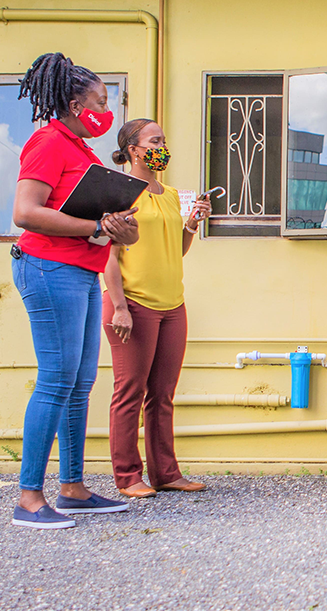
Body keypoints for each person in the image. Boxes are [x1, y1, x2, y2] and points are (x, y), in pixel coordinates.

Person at [10, 52, 140, 529]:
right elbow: (25, 212)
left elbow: (89, 221)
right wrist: (93, 224)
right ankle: (28, 498)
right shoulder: (49, 142)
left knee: (80, 381)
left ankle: (72, 488)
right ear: (72, 102)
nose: (106, 112)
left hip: (81, 270)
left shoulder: (82, 150)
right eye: (100, 102)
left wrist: (115, 228)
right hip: (47, 268)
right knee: (56, 380)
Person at [102, 119, 212, 499]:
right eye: (155, 141)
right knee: (129, 392)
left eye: (164, 140)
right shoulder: (120, 194)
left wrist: (191, 225)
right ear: (134, 149)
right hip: (132, 304)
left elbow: (176, 250)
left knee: (163, 393)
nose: (162, 146)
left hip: (172, 305)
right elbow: (109, 256)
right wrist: (119, 307)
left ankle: (166, 473)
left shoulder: (169, 195)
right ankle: (128, 476)